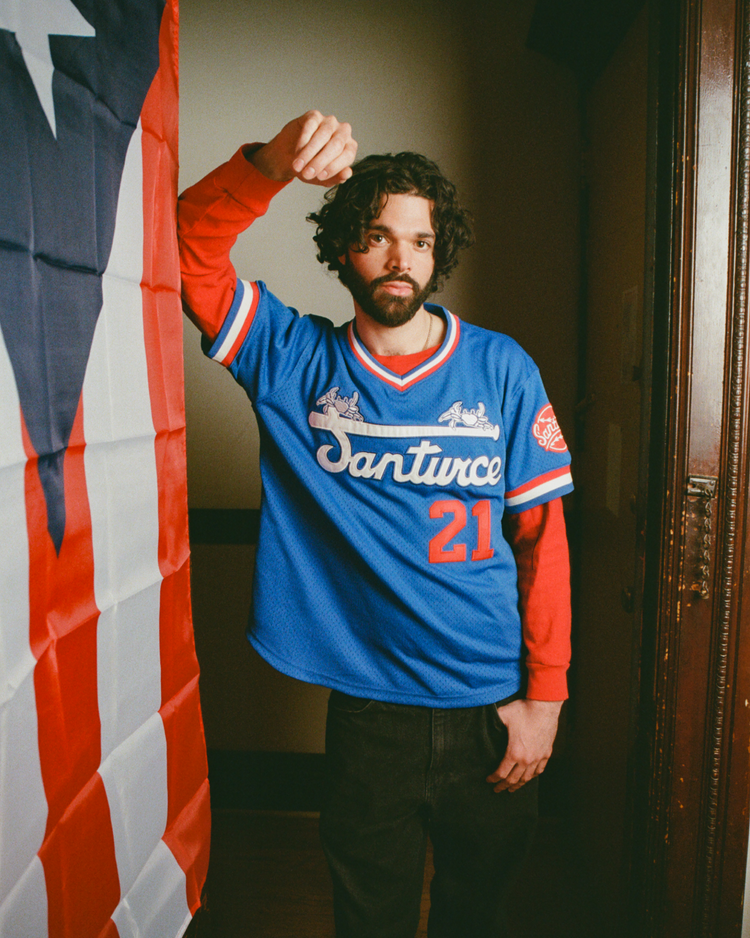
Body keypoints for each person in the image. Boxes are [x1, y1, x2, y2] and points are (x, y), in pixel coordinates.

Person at [178, 111, 573, 938]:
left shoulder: (501, 366)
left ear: (441, 250)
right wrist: (271, 163)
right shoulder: (294, 361)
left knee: (479, 915)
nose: (402, 258)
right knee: (371, 921)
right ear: (343, 248)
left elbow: (543, 544)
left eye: (421, 241)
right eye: (379, 236)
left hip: (491, 702)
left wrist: (546, 698)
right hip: (370, 713)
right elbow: (186, 250)